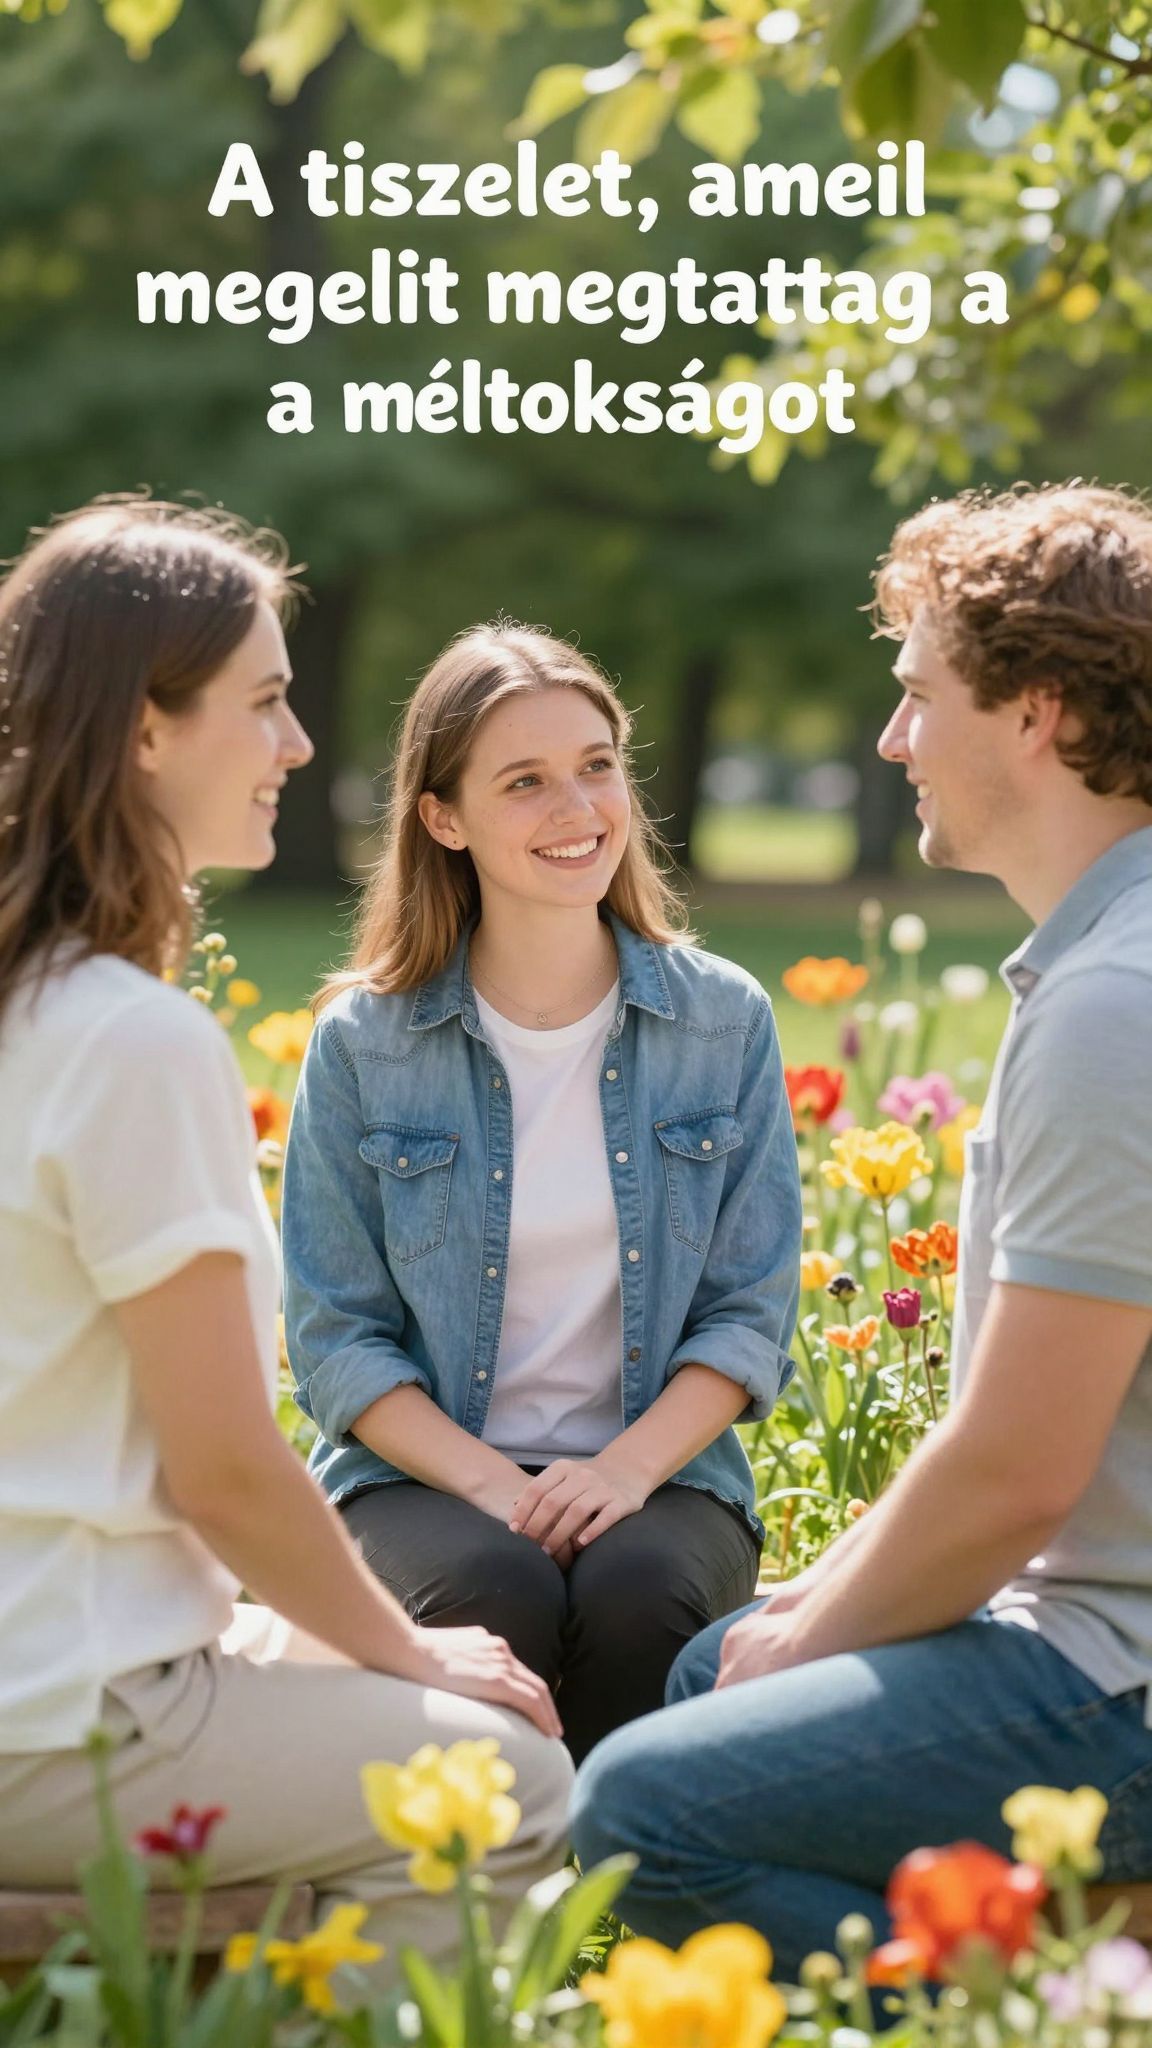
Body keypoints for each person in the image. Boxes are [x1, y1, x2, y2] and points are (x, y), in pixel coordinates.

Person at [571, 481, 1152, 1976]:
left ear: (1036, 712)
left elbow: (1023, 1475)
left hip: (1121, 1676)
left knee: (641, 1811)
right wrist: (805, 1617)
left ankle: (1072, 1996)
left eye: (917, 696)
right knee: (717, 1660)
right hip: (1099, 1612)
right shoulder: (1107, 960)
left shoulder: (1113, 1007)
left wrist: (810, 1635)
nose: (894, 740)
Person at [0, 501, 571, 1978]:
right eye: (262, 703)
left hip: (72, 1647)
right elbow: (228, 1473)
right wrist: (403, 1648)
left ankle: (102, 1942)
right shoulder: (125, 1039)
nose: (301, 746)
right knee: (501, 1788)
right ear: (142, 731)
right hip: (71, 1703)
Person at [282, 622, 802, 1764]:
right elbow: (338, 1341)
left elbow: (747, 1312)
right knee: (486, 1580)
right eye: (526, 781)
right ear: (444, 817)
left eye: (598, 765)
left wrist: (619, 1471)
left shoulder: (724, 1022)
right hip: (422, 1473)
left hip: (657, 1469)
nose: (580, 809)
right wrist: (495, 1485)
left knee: (644, 1591)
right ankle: (489, 1910)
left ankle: (629, 1918)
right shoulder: (364, 1044)